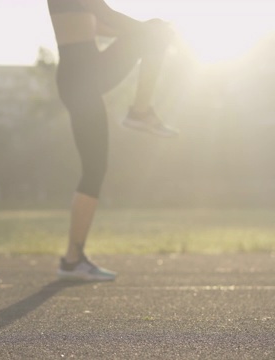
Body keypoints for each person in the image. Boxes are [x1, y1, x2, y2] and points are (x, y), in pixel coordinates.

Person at [48, 0, 178, 281]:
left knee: (95, 169)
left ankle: (72, 260)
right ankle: (140, 112)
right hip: (81, 77)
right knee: (94, 169)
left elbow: (103, 25)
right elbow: (106, 14)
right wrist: (152, 35)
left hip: (86, 73)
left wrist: (147, 36)